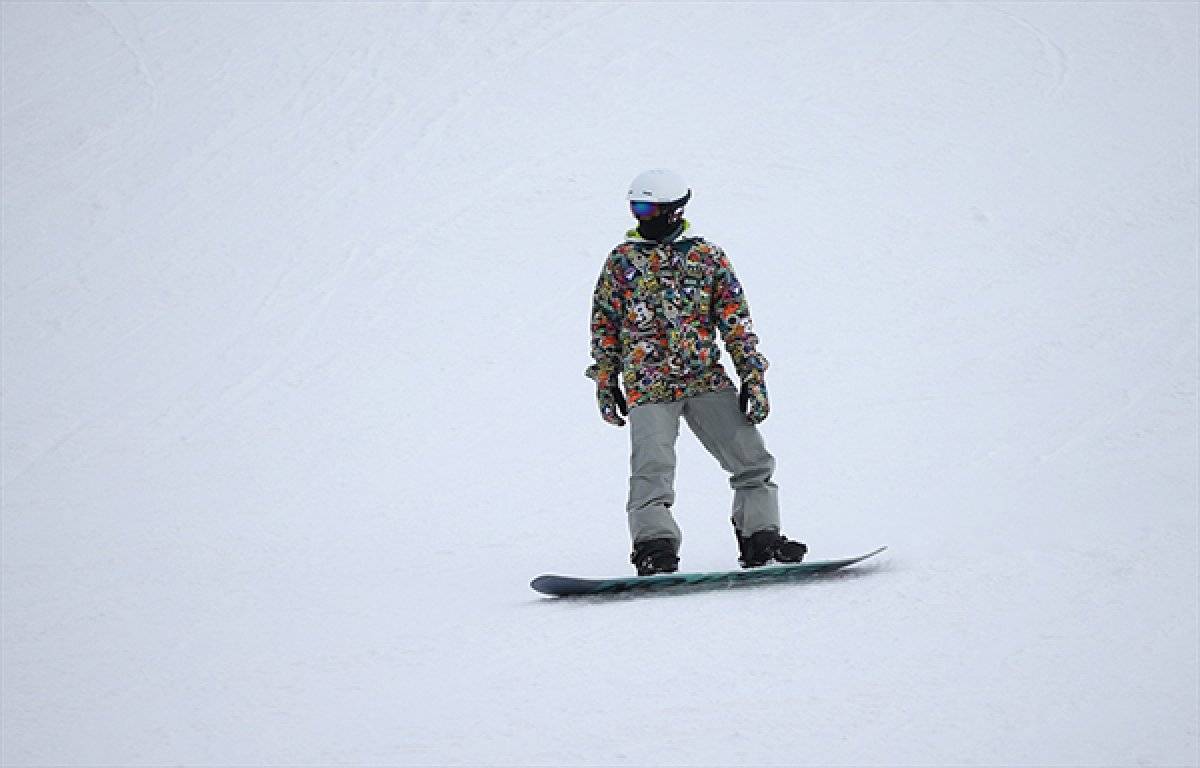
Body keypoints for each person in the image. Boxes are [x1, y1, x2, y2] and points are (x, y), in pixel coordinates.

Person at [586, 169, 808, 575]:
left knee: (752, 460)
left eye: (648, 207)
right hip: (648, 385)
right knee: (652, 468)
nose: (640, 216)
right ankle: (654, 546)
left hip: (704, 379)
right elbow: (604, 324)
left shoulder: (706, 258)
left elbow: (735, 322)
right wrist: (606, 380)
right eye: (635, 207)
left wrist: (752, 378)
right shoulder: (622, 261)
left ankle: (761, 537)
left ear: (674, 210)